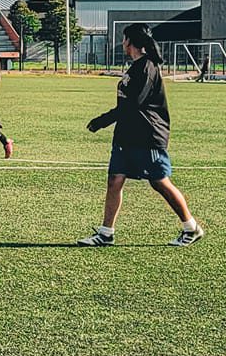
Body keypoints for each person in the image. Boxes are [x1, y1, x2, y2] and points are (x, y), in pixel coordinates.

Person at [72, 22, 203, 247]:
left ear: (131, 41)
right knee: (115, 180)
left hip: (147, 136)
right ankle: (106, 233)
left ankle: (191, 227)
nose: (122, 43)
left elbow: (133, 105)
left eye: (124, 39)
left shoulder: (147, 68)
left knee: (159, 182)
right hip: (126, 136)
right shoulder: (135, 66)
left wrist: (102, 120)